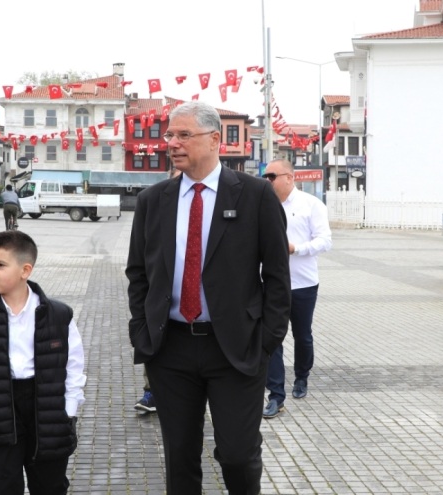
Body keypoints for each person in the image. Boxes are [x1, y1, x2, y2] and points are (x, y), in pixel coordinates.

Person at [126, 101, 291, 495]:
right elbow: (138, 274)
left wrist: (266, 341)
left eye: (184, 135)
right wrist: (143, 333)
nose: (172, 143)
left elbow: (278, 277)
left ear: (215, 139)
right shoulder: (153, 201)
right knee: (179, 459)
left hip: (235, 348)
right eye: (170, 134)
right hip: (171, 350)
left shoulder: (254, 196)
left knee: (236, 455)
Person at [0, 230, 86, 495]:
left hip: (47, 408)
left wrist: (68, 410)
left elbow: (73, 365)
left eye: (0, 265)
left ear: (26, 270)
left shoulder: (58, 314)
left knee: (50, 485)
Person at [261, 159, 333, 419]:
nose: (267, 181)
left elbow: (325, 241)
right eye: (265, 176)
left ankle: (301, 377)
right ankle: (276, 395)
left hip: (303, 283)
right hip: (270, 283)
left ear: (289, 177)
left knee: (302, 335)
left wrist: (297, 248)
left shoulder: (311, 205)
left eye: (272, 176)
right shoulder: (262, 205)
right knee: (272, 338)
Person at [133, 167, 183, 414]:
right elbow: (137, 269)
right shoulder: (154, 206)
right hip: (160, 311)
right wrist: (139, 325)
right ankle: (150, 392)